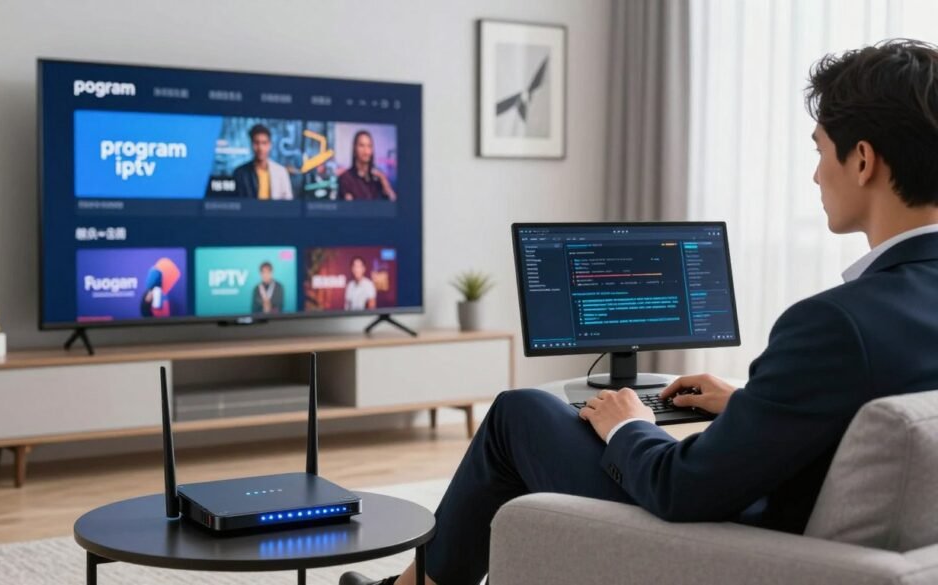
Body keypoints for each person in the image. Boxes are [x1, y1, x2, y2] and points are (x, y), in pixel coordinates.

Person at [340, 40, 938, 585]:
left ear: (863, 160)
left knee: (518, 413)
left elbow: (683, 488)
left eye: (820, 151)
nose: (815, 173)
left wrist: (627, 425)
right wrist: (752, 405)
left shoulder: (835, 324)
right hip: (843, 539)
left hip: (742, 548)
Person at [231, 124, 294, 200]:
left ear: (270, 145)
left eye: (264, 143)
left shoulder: (281, 172)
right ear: (251, 144)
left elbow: (288, 201)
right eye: (256, 143)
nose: (260, 148)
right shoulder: (240, 173)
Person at [337, 130, 397, 201]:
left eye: (369, 146)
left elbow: (394, 201)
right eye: (361, 146)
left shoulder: (379, 177)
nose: (366, 151)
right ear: (354, 148)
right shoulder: (346, 178)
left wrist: (384, 182)